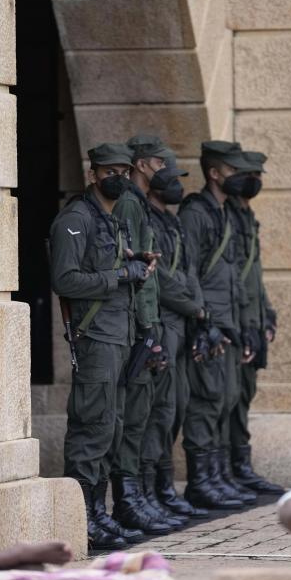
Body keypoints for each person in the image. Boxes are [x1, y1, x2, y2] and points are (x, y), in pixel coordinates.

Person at [48, 142, 151, 551]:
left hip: (119, 334)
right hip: (95, 338)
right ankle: (82, 517)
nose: (118, 179)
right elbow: (66, 280)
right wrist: (121, 274)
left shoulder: (111, 221)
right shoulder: (76, 219)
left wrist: (134, 265)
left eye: (125, 172)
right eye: (110, 172)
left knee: (112, 427)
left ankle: (100, 512)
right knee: (92, 427)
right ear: (93, 174)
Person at [127, 135, 207, 524]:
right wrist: (194, 306)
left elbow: (188, 270)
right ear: (143, 165)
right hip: (159, 319)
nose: (172, 180)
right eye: (164, 168)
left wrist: (197, 309)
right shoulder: (138, 211)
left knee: (171, 408)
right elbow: (158, 278)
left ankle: (159, 488)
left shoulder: (170, 220)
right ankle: (142, 492)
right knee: (152, 412)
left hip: (179, 321)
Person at [178, 141, 260, 510]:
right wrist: (203, 318)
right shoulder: (196, 213)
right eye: (233, 170)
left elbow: (236, 276)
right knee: (207, 402)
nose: (241, 178)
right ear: (214, 173)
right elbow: (189, 269)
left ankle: (219, 476)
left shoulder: (226, 212)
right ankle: (201, 481)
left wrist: (248, 322)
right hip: (209, 321)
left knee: (225, 399)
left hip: (227, 322)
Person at [103, 136, 174, 537]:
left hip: (145, 322)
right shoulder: (130, 203)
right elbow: (138, 275)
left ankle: (138, 495)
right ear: (146, 164)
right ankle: (126, 499)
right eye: (162, 162)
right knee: (127, 417)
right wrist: (147, 327)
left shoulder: (138, 202)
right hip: (134, 324)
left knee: (143, 414)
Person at [225, 151, 284, 496]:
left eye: (258, 175)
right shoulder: (226, 216)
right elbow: (227, 279)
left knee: (243, 395)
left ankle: (240, 468)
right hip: (234, 322)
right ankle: (226, 473)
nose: (254, 181)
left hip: (251, 320)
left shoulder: (247, 217)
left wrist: (267, 315)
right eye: (248, 174)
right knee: (225, 399)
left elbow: (254, 277)